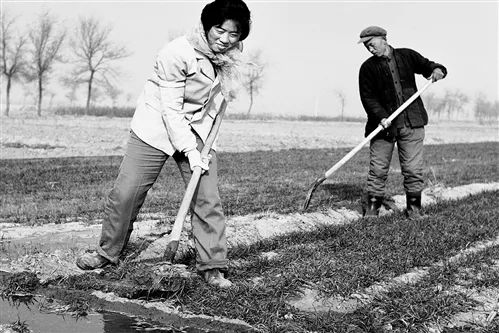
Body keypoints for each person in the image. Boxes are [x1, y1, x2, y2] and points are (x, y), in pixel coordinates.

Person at [76, 0, 251, 289]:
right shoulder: (176, 52)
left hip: (198, 128)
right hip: (157, 124)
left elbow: (214, 98)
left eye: (234, 34)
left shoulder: (230, 55)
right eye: (220, 30)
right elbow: (171, 110)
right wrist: (190, 151)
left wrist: (201, 145)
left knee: (207, 197)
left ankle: (212, 266)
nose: (225, 39)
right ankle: (107, 253)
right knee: (127, 191)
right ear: (207, 26)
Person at [357, 26, 447, 218]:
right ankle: (372, 212)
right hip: (382, 128)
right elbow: (368, 98)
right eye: (366, 46)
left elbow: (428, 66)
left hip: (412, 123)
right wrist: (380, 116)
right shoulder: (367, 68)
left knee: (413, 170)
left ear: (383, 39)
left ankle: (414, 212)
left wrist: (437, 70)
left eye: (371, 44)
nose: (369, 49)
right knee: (378, 170)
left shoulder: (407, 56)